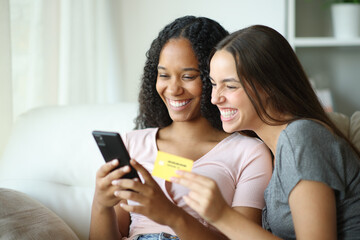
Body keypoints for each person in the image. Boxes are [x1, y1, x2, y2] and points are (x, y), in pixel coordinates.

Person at [89, 17, 273, 240]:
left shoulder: (249, 153)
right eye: (164, 75)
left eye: (188, 76)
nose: (173, 89)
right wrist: (101, 204)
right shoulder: (132, 144)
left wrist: (172, 216)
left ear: (212, 78)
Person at [172, 25, 360, 240]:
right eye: (214, 84)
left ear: (270, 86)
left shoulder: (301, 137)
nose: (215, 98)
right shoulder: (273, 148)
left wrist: (222, 216)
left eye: (231, 86)